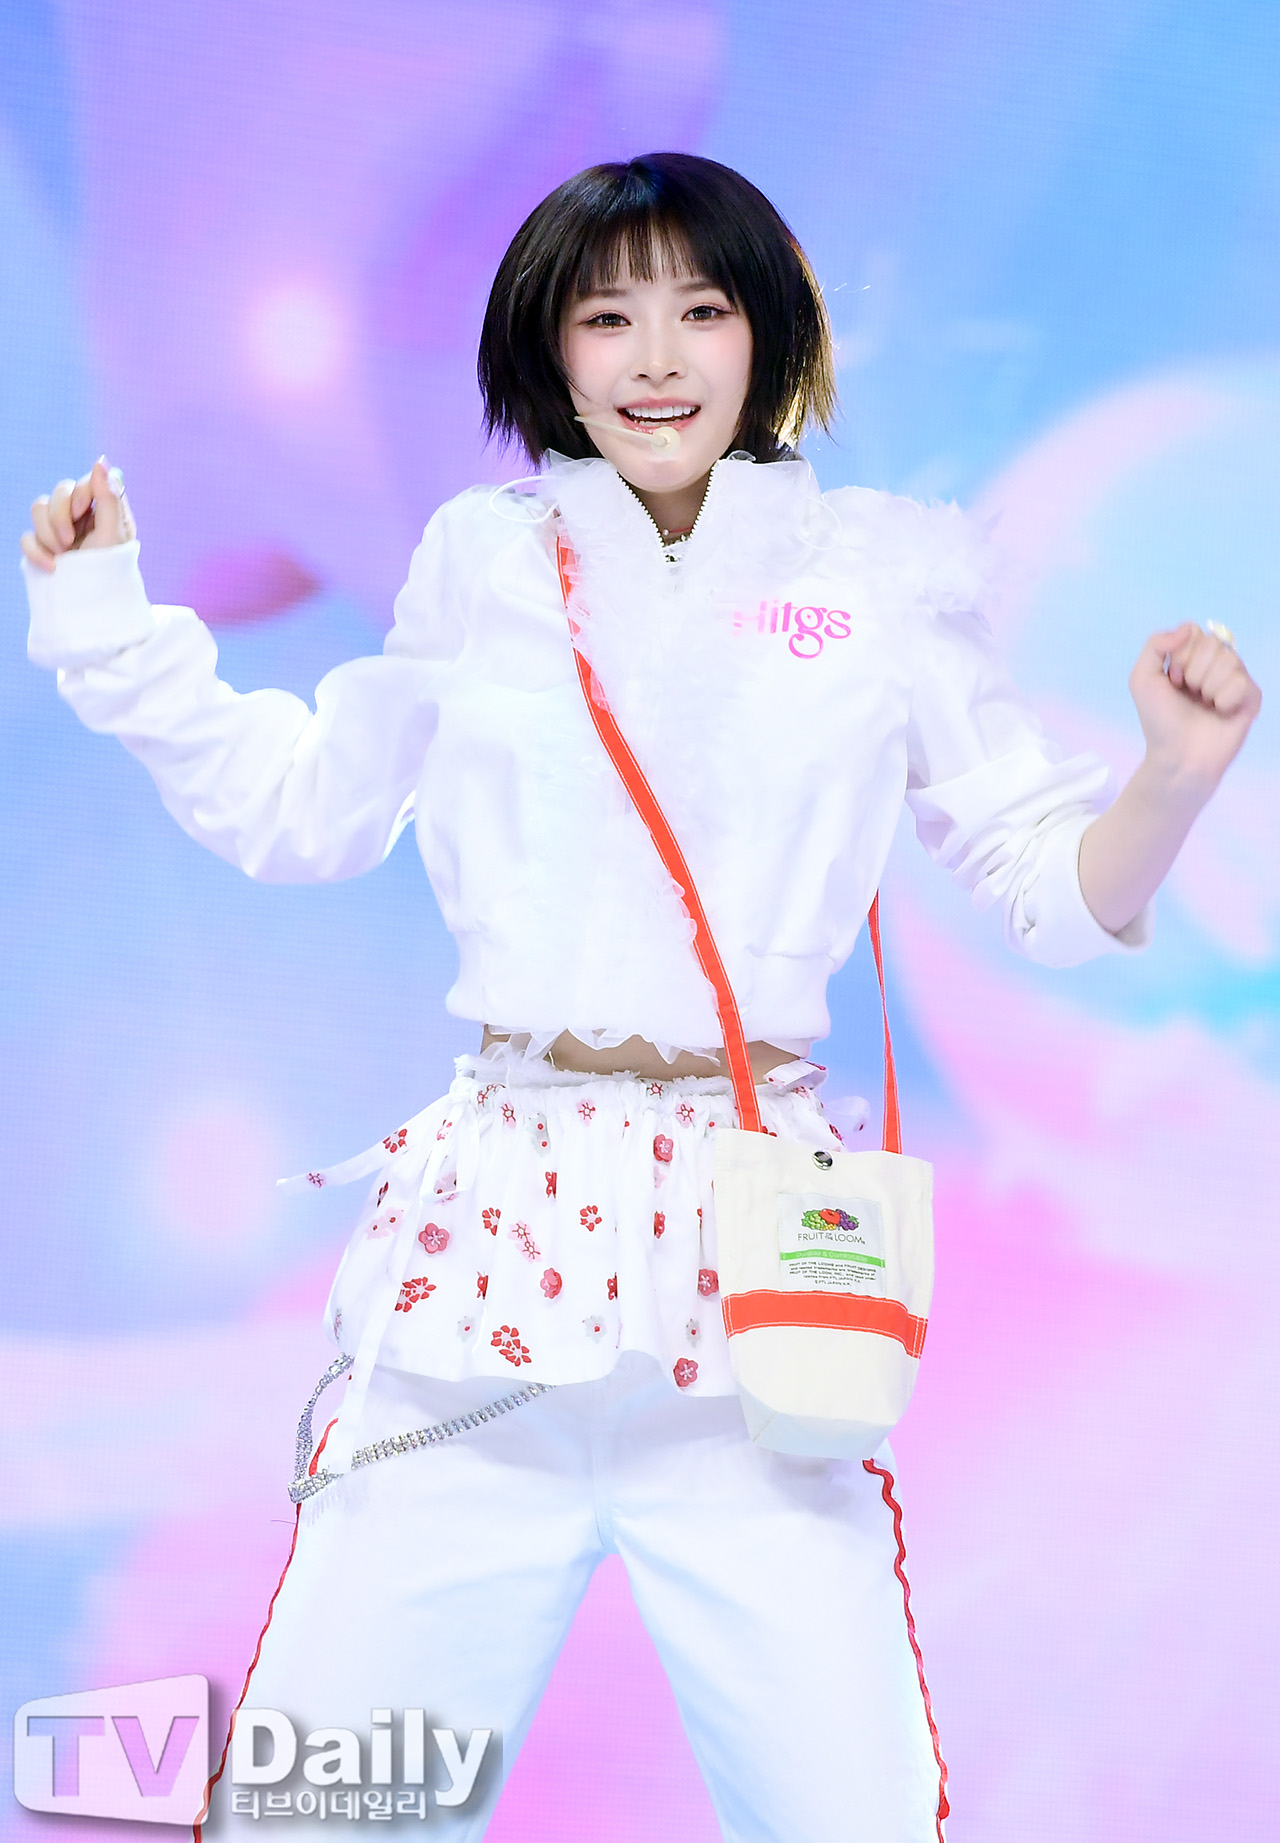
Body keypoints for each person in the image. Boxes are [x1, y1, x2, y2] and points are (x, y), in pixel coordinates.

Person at [21, 154, 1260, 1842]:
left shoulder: (881, 580)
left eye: (703, 308)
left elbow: (1046, 887)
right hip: (490, 1267)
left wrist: (1173, 779)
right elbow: (304, 809)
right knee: (327, 1805)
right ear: (551, 348)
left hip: (753, 1282)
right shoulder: (485, 563)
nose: (657, 356)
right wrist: (112, 631)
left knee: (852, 1815)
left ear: (770, 336)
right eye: (608, 317)